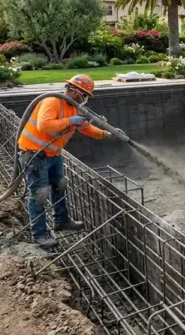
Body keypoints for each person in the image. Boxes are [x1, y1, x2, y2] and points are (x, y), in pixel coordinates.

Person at [17, 74, 122, 248]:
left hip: (53, 154)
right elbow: (44, 125)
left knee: (60, 186)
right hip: (35, 155)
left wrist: (106, 134)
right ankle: (40, 234)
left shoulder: (74, 108)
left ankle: (61, 221)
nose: (85, 98)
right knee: (40, 195)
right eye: (84, 94)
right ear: (74, 91)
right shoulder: (51, 102)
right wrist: (69, 121)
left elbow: (85, 128)